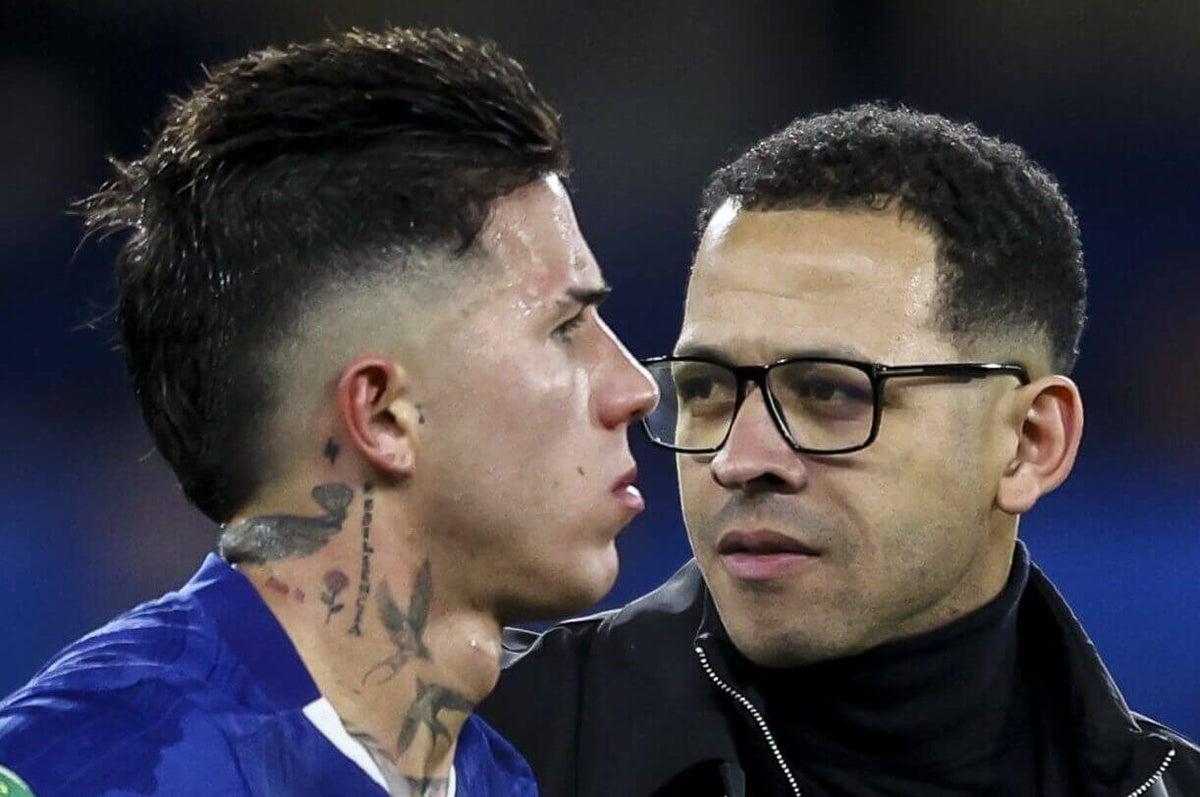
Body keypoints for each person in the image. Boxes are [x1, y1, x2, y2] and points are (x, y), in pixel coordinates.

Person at [0, 27, 657, 797]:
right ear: (381, 416)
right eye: (565, 327)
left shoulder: (494, 778)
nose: (633, 387)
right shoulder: (94, 772)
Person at [479, 104, 1200, 796]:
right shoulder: (481, 747)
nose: (740, 459)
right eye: (706, 388)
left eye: (828, 392)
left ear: (1028, 444)